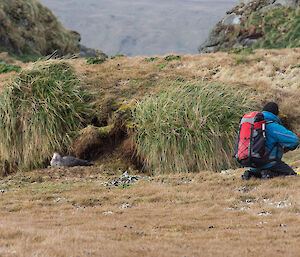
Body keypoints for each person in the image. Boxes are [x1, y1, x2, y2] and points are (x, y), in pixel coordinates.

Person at [242, 102, 299, 180]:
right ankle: (270, 174)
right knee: (292, 175)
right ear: (276, 114)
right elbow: (294, 141)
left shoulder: (252, 126)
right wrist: (287, 148)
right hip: (270, 164)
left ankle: (251, 175)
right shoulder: (272, 126)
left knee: (259, 171)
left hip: (252, 164)